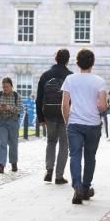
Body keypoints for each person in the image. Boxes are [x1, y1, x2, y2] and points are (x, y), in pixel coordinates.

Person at [61, 48, 106, 204]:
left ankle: (77, 186)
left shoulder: (70, 79)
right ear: (92, 62)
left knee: (74, 155)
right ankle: (86, 188)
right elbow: (102, 106)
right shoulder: (99, 81)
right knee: (90, 157)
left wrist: (68, 120)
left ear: (77, 62)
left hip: (75, 123)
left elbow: (65, 105)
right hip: (93, 124)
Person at [35, 49, 72, 184]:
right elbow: (73, 99)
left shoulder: (46, 75)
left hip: (49, 114)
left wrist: (41, 117)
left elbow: (39, 98)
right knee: (64, 144)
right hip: (65, 115)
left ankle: (49, 169)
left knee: (51, 142)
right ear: (67, 60)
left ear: (55, 58)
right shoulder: (70, 76)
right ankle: (59, 176)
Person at [0, 77, 23, 174]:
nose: (5, 89)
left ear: (11, 86)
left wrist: (10, 108)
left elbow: (21, 109)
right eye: (4, 87)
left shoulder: (16, 96)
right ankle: (1, 165)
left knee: (13, 144)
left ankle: (14, 163)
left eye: (7, 87)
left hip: (13, 122)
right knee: (2, 143)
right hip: (2, 122)